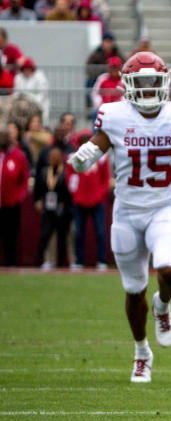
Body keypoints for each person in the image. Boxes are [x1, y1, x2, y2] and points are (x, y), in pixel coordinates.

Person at [67, 52, 171, 382]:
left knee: (168, 270)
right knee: (133, 289)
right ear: (126, 86)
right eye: (141, 83)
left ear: (165, 83)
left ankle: (163, 305)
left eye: (154, 82)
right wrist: (83, 159)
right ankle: (141, 352)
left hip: (164, 208)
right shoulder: (114, 115)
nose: (148, 89)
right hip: (126, 212)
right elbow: (95, 147)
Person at [66, 134, 110, 270]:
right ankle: (79, 260)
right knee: (78, 232)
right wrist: (76, 194)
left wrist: (100, 195)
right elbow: (70, 178)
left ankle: (102, 260)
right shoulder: (73, 157)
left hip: (97, 200)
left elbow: (106, 179)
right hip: (80, 200)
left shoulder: (102, 158)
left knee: (100, 231)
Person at [35, 146, 72, 268]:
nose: (53, 159)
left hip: (62, 208)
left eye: (56, 156)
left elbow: (69, 190)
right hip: (48, 207)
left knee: (62, 236)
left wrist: (65, 203)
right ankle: (41, 261)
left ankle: (61, 264)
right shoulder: (45, 171)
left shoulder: (66, 171)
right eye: (51, 157)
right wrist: (38, 200)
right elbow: (38, 187)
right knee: (45, 235)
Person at [0, 130, 29, 266]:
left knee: (10, 236)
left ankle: (10, 265)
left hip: (11, 204)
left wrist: (19, 196)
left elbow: (25, 178)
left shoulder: (18, 156)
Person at [14, 58, 50, 123]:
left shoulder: (39, 76)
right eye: (25, 68)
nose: (27, 70)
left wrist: (30, 99)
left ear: (32, 69)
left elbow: (43, 93)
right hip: (22, 104)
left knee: (39, 120)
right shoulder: (18, 77)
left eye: (29, 68)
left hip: (38, 103)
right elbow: (16, 92)